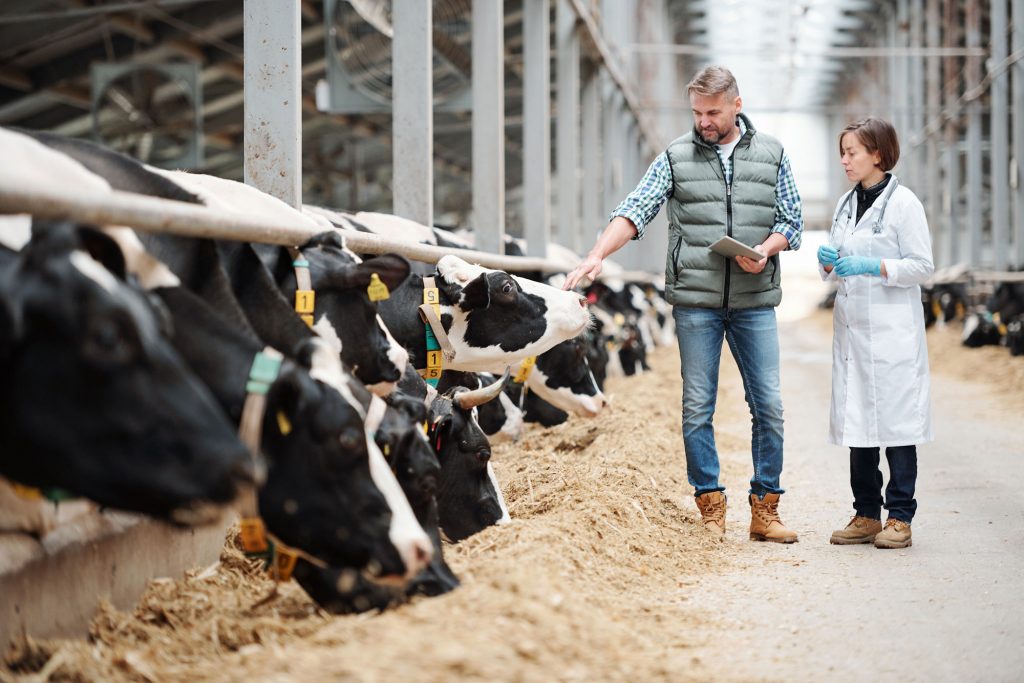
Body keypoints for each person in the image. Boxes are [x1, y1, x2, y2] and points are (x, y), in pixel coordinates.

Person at [564, 65, 803, 543]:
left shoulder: (773, 152)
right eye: (696, 112)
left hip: (755, 300)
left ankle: (766, 508)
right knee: (697, 406)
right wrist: (596, 254)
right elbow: (636, 209)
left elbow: (791, 217)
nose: (704, 121)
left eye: (713, 112)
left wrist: (767, 250)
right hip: (696, 302)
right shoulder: (676, 156)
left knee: (770, 406)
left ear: (737, 105)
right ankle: (710, 504)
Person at [818, 117, 933, 550]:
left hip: (892, 334)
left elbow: (923, 266)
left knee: (897, 426)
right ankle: (866, 513)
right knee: (858, 424)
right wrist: (828, 262)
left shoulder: (905, 205)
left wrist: (876, 266)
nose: (845, 160)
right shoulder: (846, 205)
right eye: (842, 153)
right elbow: (833, 269)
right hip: (853, 333)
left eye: (852, 152)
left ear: (878, 155)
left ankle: (900, 516)